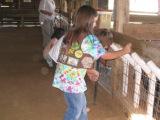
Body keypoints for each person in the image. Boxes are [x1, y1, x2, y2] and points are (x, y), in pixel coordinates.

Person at [52, 5, 132, 120]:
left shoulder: (70, 33)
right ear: (88, 22)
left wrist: (89, 70)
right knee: (75, 109)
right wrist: (124, 51)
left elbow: (77, 56)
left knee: (82, 106)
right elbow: (105, 55)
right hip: (73, 81)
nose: (95, 25)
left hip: (63, 76)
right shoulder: (90, 39)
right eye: (94, 22)